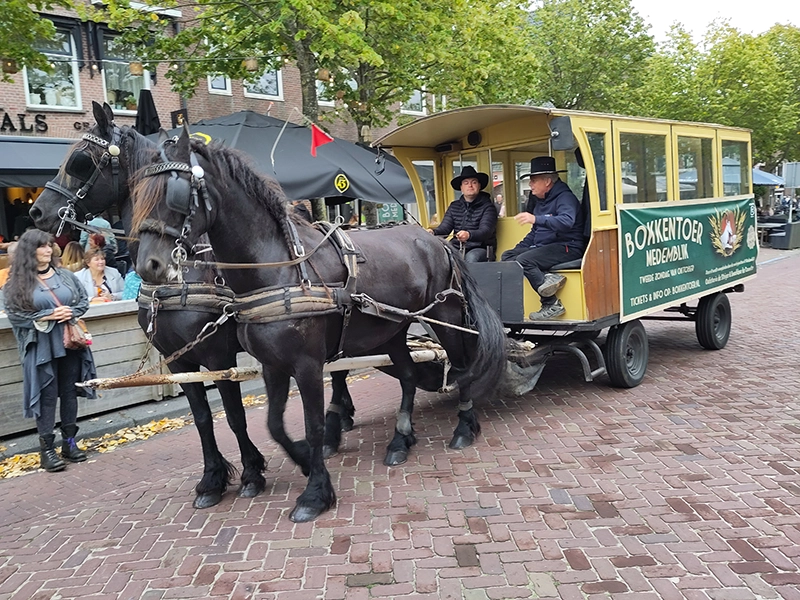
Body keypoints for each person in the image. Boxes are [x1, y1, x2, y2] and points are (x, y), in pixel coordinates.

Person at [2, 229, 96, 472]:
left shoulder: (65, 275)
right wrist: (49, 314)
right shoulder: (16, 283)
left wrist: (71, 312)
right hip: (41, 346)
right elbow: (16, 316)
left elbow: (83, 301)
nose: (48, 250)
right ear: (29, 251)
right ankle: (47, 451)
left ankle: (70, 443)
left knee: (69, 392)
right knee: (46, 396)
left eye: (49, 246)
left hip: (69, 343)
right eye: (42, 246)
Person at [501, 156, 586, 320]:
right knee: (508, 256)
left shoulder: (565, 197)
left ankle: (552, 304)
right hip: (548, 247)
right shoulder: (540, 201)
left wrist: (536, 219)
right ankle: (548, 278)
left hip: (568, 247)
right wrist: (518, 248)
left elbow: (567, 222)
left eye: (533, 180)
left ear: (547, 181)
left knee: (525, 260)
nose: (530, 185)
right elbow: (535, 232)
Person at [427, 166, 498, 262]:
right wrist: (433, 232)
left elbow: (486, 231)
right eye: (466, 183)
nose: (470, 185)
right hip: (457, 246)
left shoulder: (488, 207)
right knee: (438, 256)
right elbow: (445, 228)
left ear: (479, 186)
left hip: (482, 249)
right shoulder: (454, 206)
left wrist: (469, 235)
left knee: (472, 258)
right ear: (461, 187)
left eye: (474, 182)